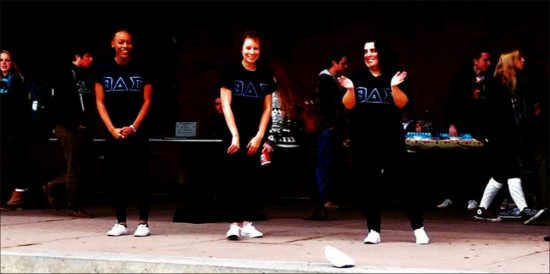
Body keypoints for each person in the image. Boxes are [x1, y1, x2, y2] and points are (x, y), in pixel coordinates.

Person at [338, 36, 429, 245]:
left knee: (403, 184)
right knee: (369, 186)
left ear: (382, 52)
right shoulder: (357, 76)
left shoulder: (395, 75)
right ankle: (373, 230)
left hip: (391, 138)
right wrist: (351, 90)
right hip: (364, 140)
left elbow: (402, 104)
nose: (368, 55)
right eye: (365, 51)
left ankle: (418, 228)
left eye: (372, 51)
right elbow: (348, 105)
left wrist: (394, 86)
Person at [473, 49, 546, 225]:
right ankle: (524, 210)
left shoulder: (517, 83)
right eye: (519, 59)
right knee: (511, 170)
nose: (523, 61)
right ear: (511, 62)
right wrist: (486, 134)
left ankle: (481, 209)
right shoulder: (495, 84)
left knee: (500, 175)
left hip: (511, 134)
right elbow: (490, 112)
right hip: (499, 135)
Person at [95, 29, 154, 236]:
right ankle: (121, 222)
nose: (124, 46)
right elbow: (99, 102)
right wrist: (111, 128)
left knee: (141, 177)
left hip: (137, 130)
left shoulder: (142, 67)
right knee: (117, 177)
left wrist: (134, 126)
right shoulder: (103, 69)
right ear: (112, 44)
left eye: (128, 42)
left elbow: (147, 100)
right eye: (120, 42)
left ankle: (143, 222)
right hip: (113, 132)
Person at [219, 30, 276, 240]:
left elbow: (267, 108)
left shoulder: (265, 74)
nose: (252, 52)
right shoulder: (230, 71)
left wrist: (260, 135)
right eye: (248, 48)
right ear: (241, 49)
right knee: (233, 177)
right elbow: (226, 104)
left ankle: (248, 223)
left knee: (253, 179)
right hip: (234, 132)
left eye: (255, 48)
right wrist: (235, 135)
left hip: (255, 133)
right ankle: (233, 224)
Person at [42, 45, 95, 218]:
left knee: (87, 165)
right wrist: (73, 123)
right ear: (77, 56)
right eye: (88, 56)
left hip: (81, 126)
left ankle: (53, 186)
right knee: (75, 167)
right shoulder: (65, 75)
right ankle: (74, 206)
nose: (91, 59)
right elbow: (58, 103)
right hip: (67, 127)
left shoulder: (84, 75)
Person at [438, 46, 493, 210]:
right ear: (476, 60)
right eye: (485, 60)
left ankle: (473, 197)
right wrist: (451, 123)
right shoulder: (461, 76)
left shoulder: (490, 79)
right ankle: (450, 196)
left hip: (480, 127)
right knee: (454, 161)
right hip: (461, 125)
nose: (488, 63)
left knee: (476, 163)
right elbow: (451, 101)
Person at [311, 49, 350, 211]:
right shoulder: (324, 80)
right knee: (325, 162)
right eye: (343, 63)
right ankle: (324, 198)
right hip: (328, 129)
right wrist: (328, 125)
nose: (345, 66)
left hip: (336, 129)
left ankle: (332, 197)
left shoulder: (336, 81)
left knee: (335, 163)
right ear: (334, 63)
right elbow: (319, 105)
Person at [0, 50, 33, 210]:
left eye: (7, 60)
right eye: (1, 60)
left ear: (12, 63)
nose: (3, 63)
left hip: (15, 129)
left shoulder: (16, 81)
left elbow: (17, 108)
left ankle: (19, 195)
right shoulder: (3, 81)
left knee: (18, 161)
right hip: (5, 129)